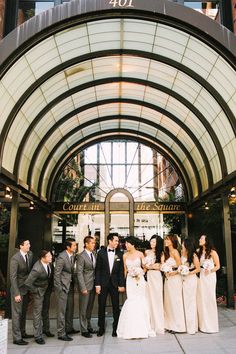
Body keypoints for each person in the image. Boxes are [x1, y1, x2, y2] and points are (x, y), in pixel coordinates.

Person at [117, 236, 155, 339]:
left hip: (140, 280)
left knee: (141, 301)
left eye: (127, 243)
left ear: (133, 244)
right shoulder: (125, 255)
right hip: (130, 281)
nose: (126, 245)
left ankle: (143, 327)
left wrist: (140, 272)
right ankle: (130, 328)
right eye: (125, 243)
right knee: (131, 301)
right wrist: (123, 283)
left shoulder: (140, 254)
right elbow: (125, 270)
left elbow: (145, 267)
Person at [95, 233, 125, 337]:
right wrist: (97, 284)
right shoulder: (101, 253)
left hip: (115, 284)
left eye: (118, 241)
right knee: (101, 306)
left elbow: (121, 271)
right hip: (103, 284)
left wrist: (122, 285)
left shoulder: (120, 254)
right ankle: (101, 328)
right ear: (110, 241)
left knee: (116, 306)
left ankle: (115, 328)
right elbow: (97, 270)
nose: (118, 243)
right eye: (116, 240)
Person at [25, 250, 53, 344]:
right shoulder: (36, 269)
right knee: (37, 313)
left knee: (45, 310)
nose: (51, 257)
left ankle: (46, 330)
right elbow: (28, 283)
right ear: (43, 258)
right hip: (38, 292)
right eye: (49, 256)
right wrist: (36, 291)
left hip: (46, 290)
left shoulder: (48, 264)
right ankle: (37, 336)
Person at [10, 239, 34, 345]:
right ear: (21, 246)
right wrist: (16, 293)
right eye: (27, 244)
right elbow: (13, 277)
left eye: (29, 243)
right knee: (17, 314)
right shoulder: (15, 259)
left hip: (26, 289)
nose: (29, 245)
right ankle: (17, 338)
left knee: (23, 313)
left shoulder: (30, 255)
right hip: (18, 289)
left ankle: (23, 332)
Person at [54, 238, 79, 341]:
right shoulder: (61, 257)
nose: (75, 247)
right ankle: (61, 333)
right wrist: (59, 288)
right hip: (63, 287)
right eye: (73, 245)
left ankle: (69, 328)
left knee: (70, 308)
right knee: (62, 311)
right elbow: (57, 274)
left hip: (70, 286)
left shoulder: (72, 255)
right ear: (68, 247)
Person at [161, 234, 186, 333]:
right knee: (169, 302)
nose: (166, 241)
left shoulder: (175, 252)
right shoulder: (166, 252)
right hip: (167, 280)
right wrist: (165, 268)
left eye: (168, 240)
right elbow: (163, 264)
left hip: (175, 279)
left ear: (173, 241)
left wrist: (173, 273)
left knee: (176, 301)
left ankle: (179, 326)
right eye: (165, 240)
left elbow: (180, 267)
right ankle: (170, 325)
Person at [197, 234, 220, 333]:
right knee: (202, 299)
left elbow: (218, 266)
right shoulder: (199, 252)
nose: (200, 239)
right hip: (202, 276)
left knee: (209, 298)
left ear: (207, 240)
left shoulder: (212, 252)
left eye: (201, 238)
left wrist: (210, 270)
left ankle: (211, 325)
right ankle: (203, 324)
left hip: (210, 276)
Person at [76, 236, 96, 338]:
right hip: (85, 286)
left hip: (92, 285)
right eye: (92, 243)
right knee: (83, 309)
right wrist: (83, 287)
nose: (94, 244)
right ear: (86, 244)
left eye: (94, 243)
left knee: (89, 308)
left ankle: (88, 326)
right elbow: (79, 273)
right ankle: (83, 329)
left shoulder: (93, 254)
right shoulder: (81, 256)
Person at [145, 235, 165, 334]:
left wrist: (153, 266)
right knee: (149, 298)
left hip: (156, 276)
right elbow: (144, 265)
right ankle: (150, 323)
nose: (152, 243)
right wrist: (146, 266)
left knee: (157, 298)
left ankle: (159, 324)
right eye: (151, 241)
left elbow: (162, 266)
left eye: (154, 242)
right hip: (149, 275)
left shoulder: (161, 253)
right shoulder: (147, 252)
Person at [180, 238, 200, 334]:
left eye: (183, 245)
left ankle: (192, 327)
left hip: (191, 280)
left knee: (191, 302)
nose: (182, 246)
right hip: (183, 280)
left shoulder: (193, 255)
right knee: (185, 302)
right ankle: (187, 325)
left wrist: (188, 272)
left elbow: (198, 269)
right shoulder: (182, 254)